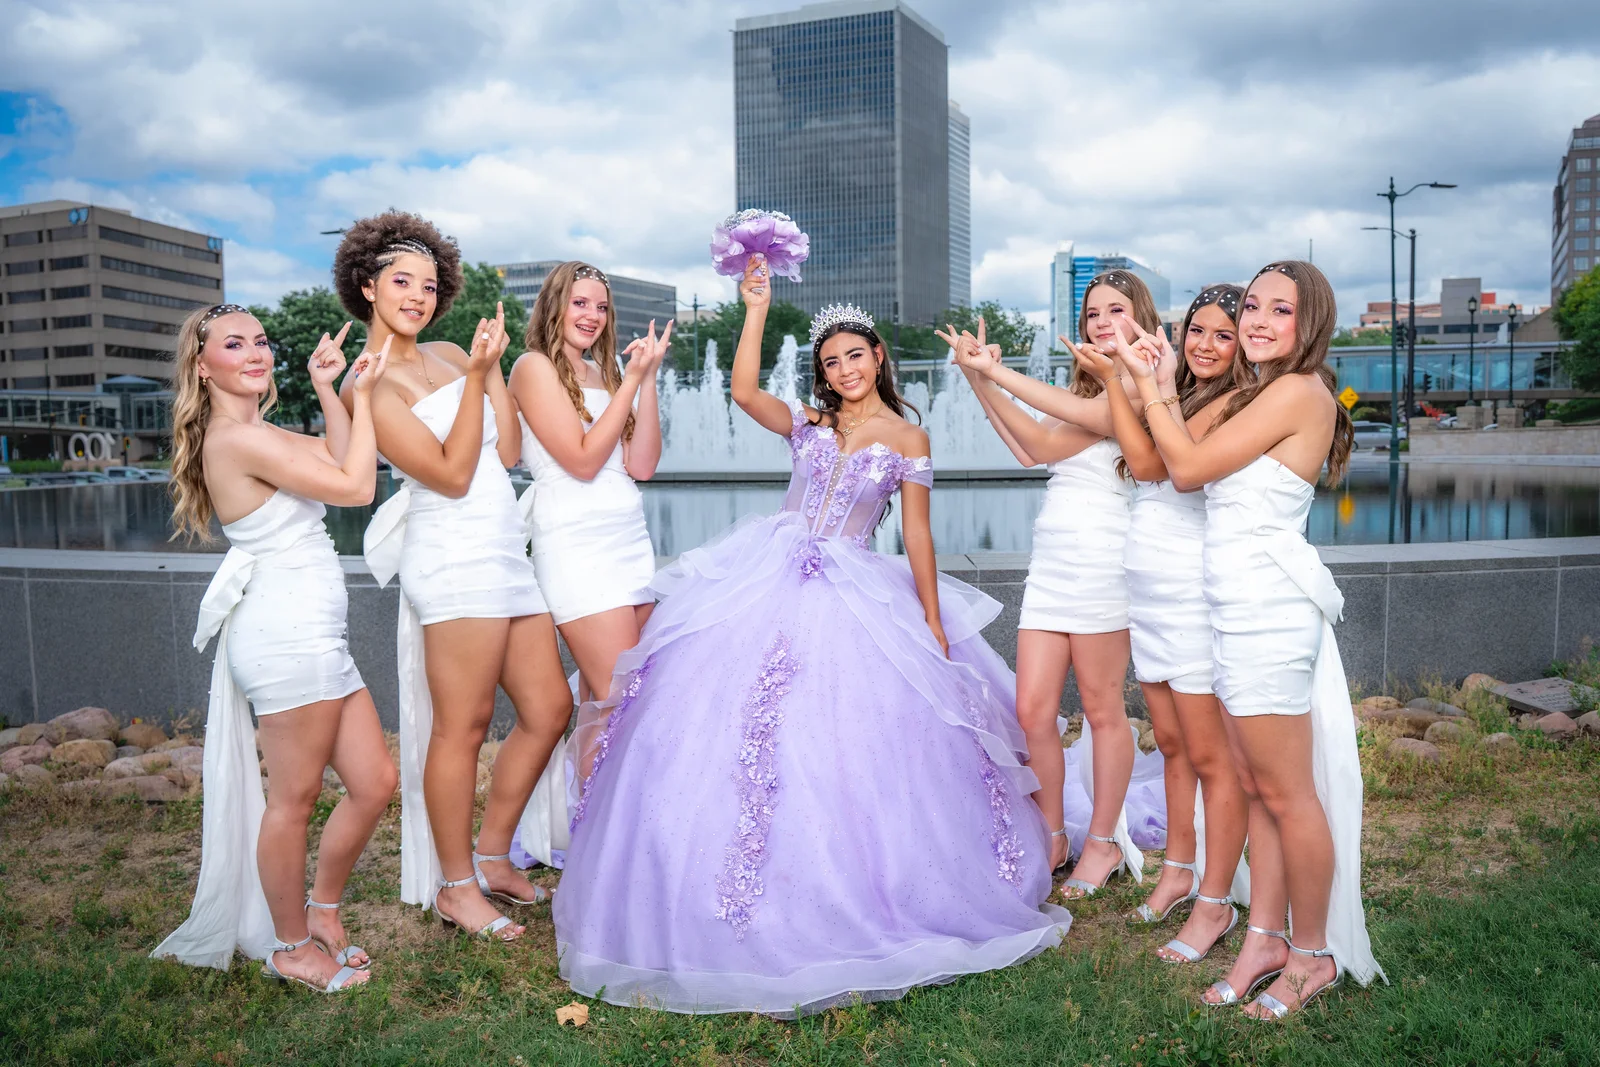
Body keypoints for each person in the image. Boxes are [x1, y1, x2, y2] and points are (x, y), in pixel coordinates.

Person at [551, 255, 1071, 1016]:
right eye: (830, 361)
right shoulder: (812, 423)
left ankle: (871, 890)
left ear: (878, 357)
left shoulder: (912, 440)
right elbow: (741, 392)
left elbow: (920, 540)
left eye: (854, 354)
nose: (843, 368)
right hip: (768, 577)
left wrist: (930, 620)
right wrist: (755, 309)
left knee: (849, 743)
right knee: (727, 727)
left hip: (857, 591)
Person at [1121, 260, 1384, 1017]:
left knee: (1289, 796)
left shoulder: (1300, 392)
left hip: (1268, 610)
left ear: (1312, 325)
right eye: (1256, 306)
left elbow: (1188, 467)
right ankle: (1264, 934)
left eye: (1281, 310)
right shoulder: (1266, 390)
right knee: (1263, 792)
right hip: (1231, 609)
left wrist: (1156, 387)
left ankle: (1312, 953)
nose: (1261, 320)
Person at [335, 212, 569, 942]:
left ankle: (494, 853)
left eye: (430, 285)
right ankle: (457, 885)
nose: (418, 295)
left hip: (503, 548)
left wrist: (487, 367)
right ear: (367, 286)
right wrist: (472, 379)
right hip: (452, 556)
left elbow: (502, 452)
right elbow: (449, 471)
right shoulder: (367, 382)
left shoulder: (443, 351)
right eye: (402, 281)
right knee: (462, 727)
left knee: (549, 705)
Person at [154, 305, 396, 993]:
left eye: (260, 341)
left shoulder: (254, 430)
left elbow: (340, 456)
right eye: (235, 344)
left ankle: (321, 909)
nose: (256, 353)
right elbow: (357, 486)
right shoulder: (233, 439)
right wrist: (367, 394)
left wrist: (330, 391)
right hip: (287, 638)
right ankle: (291, 946)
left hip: (318, 638)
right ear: (204, 366)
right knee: (294, 799)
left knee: (375, 780)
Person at [944, 270, 1161, 900]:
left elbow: (1042, 436)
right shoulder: (1088, 386)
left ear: (1139, 317)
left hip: (1103, 565)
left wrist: (992, 371)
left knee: (1101, 709)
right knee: (1033, 709)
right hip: (1054, 563)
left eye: (1114, 310)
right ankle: (1051, 832)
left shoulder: (1137, 386)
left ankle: (1101, 843)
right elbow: (1028, 451)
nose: (1099, 322)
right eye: (1091, 312)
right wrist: (975, 377)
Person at [1063, 286, 1254, 966]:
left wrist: (1132, 378)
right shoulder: (1188, 395)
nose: (1204, 343)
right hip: (1151, 592)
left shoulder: (1233, 403)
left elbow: (1151, 464)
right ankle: (1178, 868)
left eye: (1221, 334)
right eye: (1195, 329)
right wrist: (1137, 380)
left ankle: (1215, 899)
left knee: (1211, 757)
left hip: (1193, 594)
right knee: (1171, 742)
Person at [507, 264, 667, 820]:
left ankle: (597, 832)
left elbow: (641, 465)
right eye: (580, 303)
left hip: (629, 543)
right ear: (554, 305)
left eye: (600, 307)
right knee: (618, 698)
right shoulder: (532, 368)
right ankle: (605, 838)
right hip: (577, 547)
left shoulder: (605, 374)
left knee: (617, 700)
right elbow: (580, 460)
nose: (592, 317)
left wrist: (644, 381)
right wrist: (627, 384)